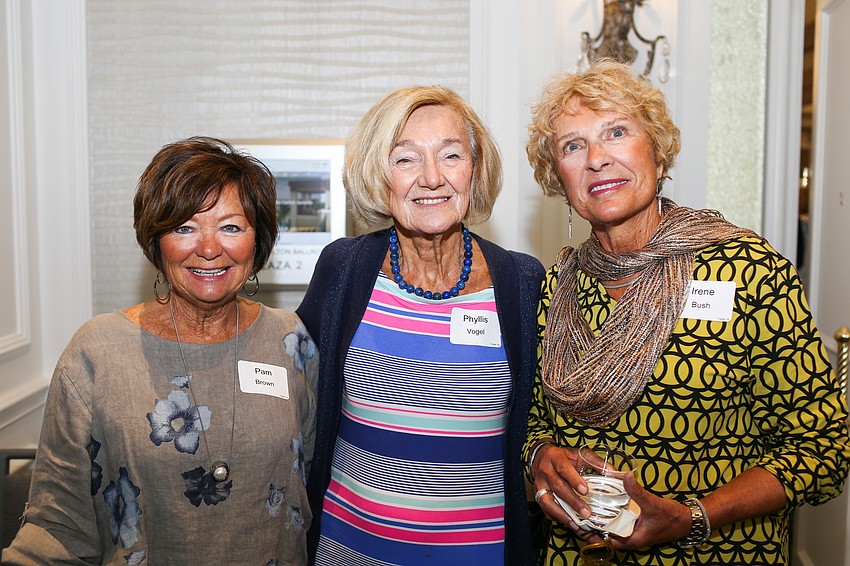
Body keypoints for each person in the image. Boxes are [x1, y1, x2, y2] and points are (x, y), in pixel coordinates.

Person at [522, 60, 850, 565]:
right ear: (558, 179)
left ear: (657, 152)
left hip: (714, 551)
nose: (597, 159)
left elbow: (823, 447)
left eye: (617, 132)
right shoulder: (557, 285)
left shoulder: (748, 271)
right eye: (572, 146)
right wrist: (540, 455)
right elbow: (533, 421)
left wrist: (692, 517)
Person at [4, 137, 319, 565]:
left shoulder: (291, 340)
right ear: (155, 241)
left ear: (257, 240)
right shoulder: (97, 352)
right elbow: (58, 522)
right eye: (184, 228)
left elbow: (311, 482)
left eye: (230, 227)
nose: (209, 249)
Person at [296, 85, 545, 565]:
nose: (432, 178)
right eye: (406, 159)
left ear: (475, 168)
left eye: (451, 155)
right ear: (378, 174)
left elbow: (542, 419)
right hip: (350, 549)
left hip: (479, 554)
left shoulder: (522, 281)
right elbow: (299, 395)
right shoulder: (344, 268)